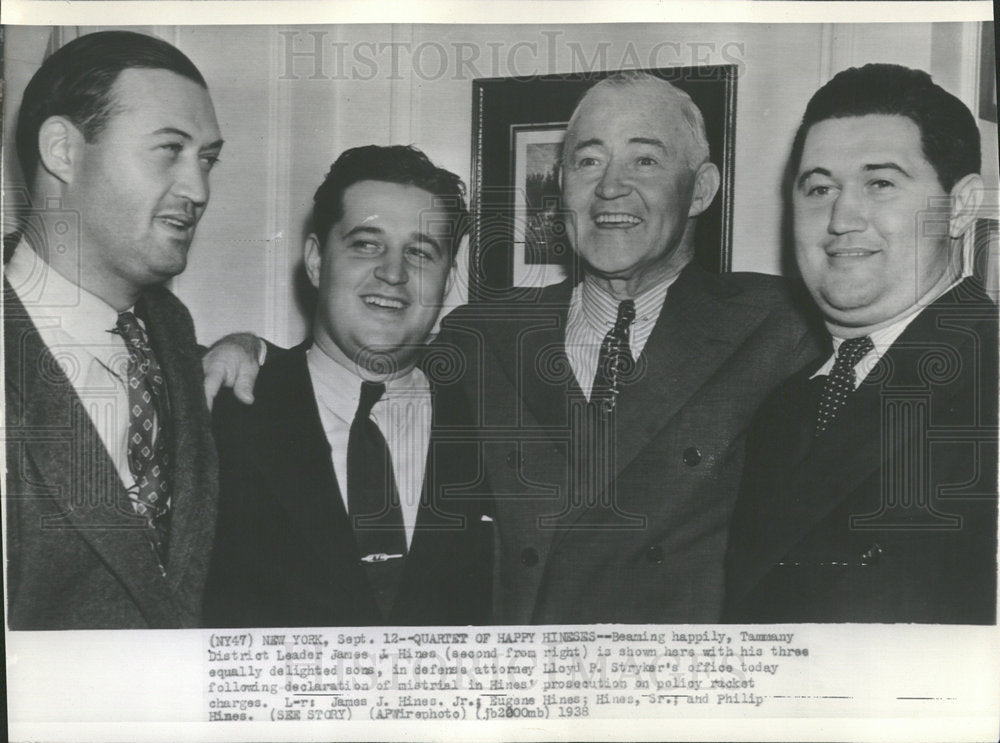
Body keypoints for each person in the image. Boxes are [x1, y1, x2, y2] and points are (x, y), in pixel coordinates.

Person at [206, 71, 821, 623]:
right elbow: (361, 355)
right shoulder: (482, 338)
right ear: (560, 189)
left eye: (645, 162)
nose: (611, 188)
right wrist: (250, 350)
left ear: (703, 188)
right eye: (587, 161)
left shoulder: (782, 329)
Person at [723, 64, 997, 623]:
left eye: (881, 183)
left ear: (960, 207)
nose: (842, 218)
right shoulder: (782, 403)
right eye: (819, 188)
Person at [203, 145, 492, 627]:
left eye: (420, 252)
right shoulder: (227, 411)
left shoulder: (492, 421)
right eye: (366, 244)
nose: (394, 273)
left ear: (448, 280)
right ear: (316, 261)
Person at [4, 31, 224, 629]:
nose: (198, 190)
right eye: (169, 150)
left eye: (206, 159)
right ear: (63, 150)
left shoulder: (172, 336)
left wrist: (252, 349)